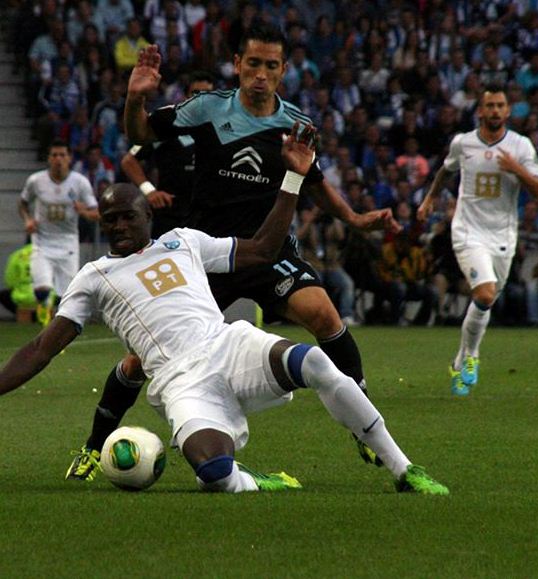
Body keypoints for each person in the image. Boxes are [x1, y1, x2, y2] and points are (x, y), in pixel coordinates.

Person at [0, 129, 448, 497]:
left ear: (146, 217)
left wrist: (293, 180)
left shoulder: (183, 240)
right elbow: (41, 348)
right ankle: (254, 481)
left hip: (227, 345)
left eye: (126, 216)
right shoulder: (93, 276)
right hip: (180, 381)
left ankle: (403, 469)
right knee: (214, 474)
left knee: (313, 361)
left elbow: (263, 249)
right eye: (109, 219)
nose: (117, 225)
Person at [67, 24, 398, 480]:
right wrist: (134, 98)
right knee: (140, 361)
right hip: (208, 256)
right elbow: (139, 132)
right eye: (253, 64)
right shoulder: (207, 108)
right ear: (238, 65)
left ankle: (363, 422)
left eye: (271, 66)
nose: (260, 74)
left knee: (323, 313)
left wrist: (356, 219)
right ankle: (92, 445)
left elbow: (315, 184)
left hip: (267, 251)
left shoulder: (296, 124)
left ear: (283, 71)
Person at [417, 85, 538, 395]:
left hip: (503, 235)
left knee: (485, 302)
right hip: (468, 231)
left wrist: (516, 169)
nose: (495, 111)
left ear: (508, 111)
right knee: (485, 295)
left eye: (501, 106)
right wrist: (430, 199)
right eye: (490, 106)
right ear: (480, 111)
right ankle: (473, 356)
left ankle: (460, 359)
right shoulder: (463, 143)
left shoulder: (521, 146)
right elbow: (445, 172)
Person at [120, 71, 215, 237]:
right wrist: (149, 190)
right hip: (170, 218)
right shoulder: (168, 127)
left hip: (207, 219)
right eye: (196, 93)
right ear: (186, 97)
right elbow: (129, 161)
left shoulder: (223, 132)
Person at [18, 140, 99, 326]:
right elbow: (22, 203)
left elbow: (97, 213)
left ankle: (56, 329)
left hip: (68, 242)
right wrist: (28, 220)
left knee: (65, 296)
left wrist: (84, 212)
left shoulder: (80, 182)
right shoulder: (36, 181)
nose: (58, 159)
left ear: (69, 158)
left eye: (62, 155)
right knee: (42, 289)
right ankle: (43, 308)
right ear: (49, 158)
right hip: (42, 241)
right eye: (54, 155)